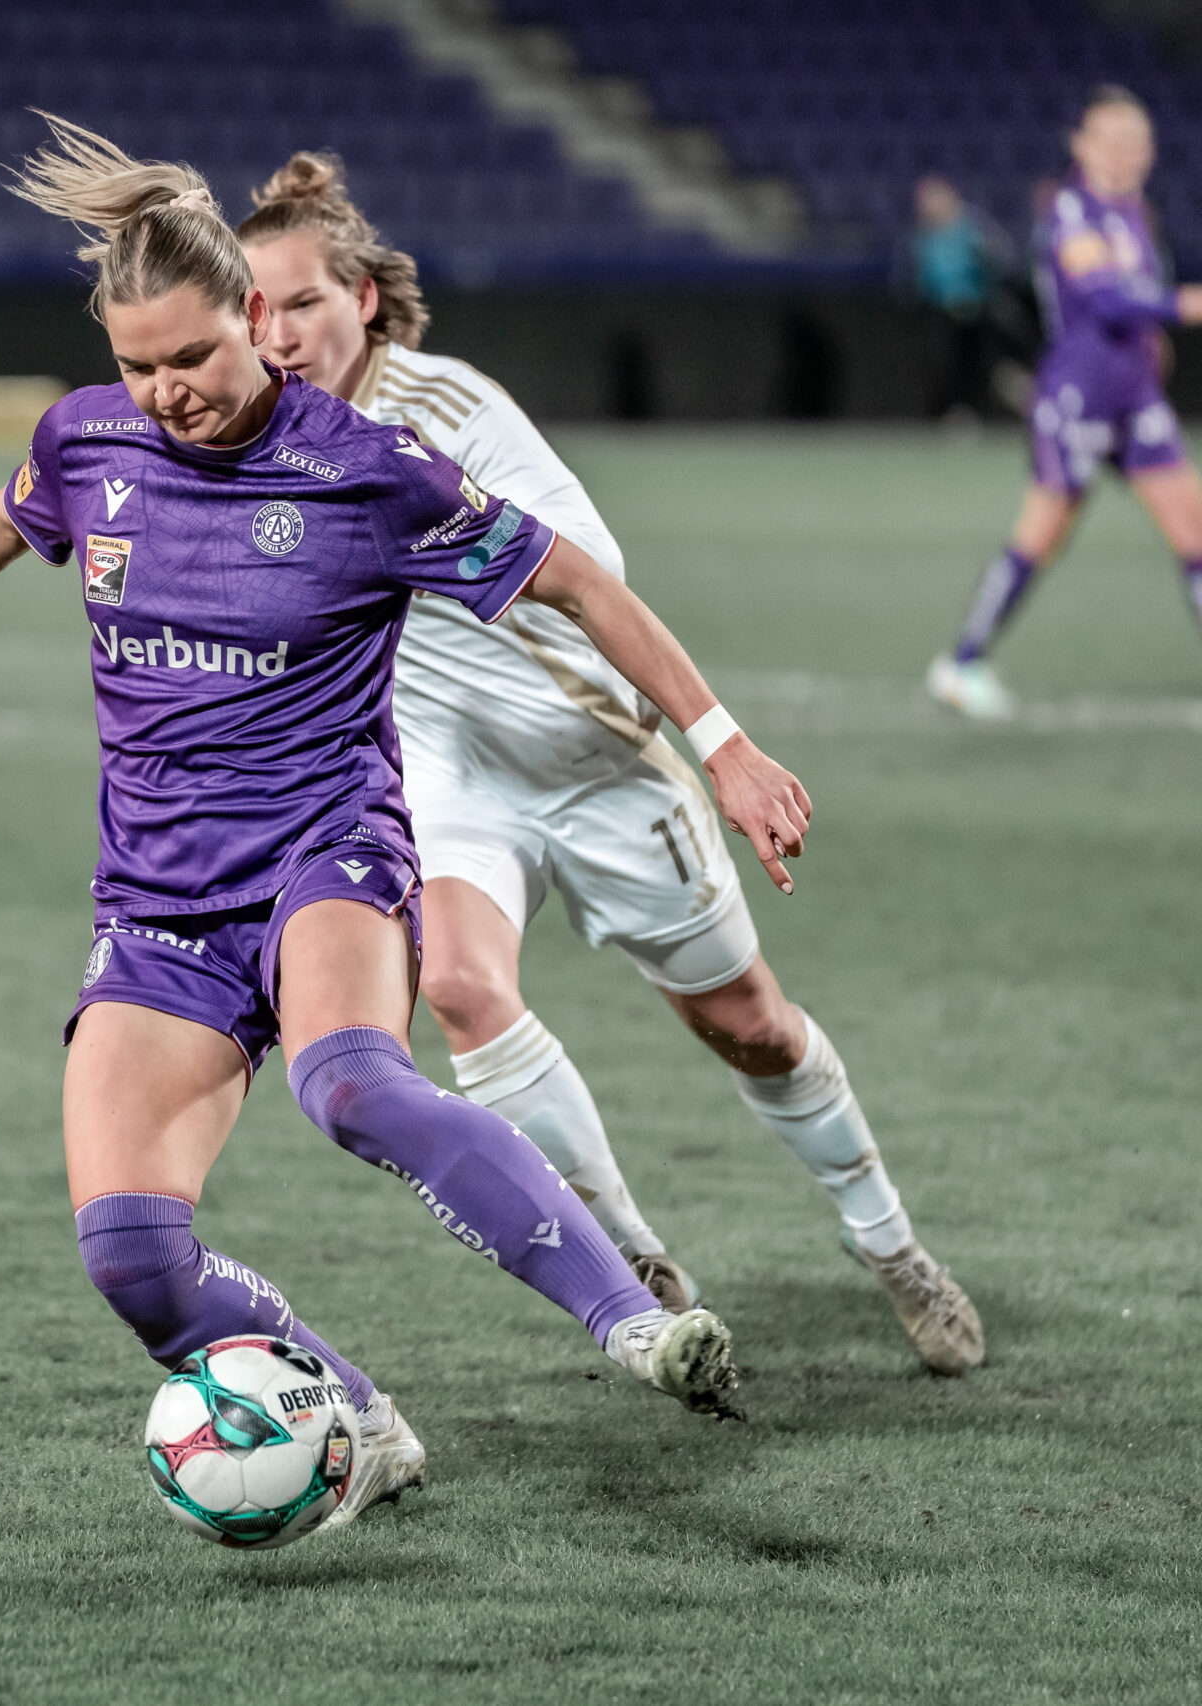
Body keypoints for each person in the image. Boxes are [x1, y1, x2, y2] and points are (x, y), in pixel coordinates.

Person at [0, 118, 808, 1523]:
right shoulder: (90, 440)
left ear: (255, 322)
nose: (166, 392)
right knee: (130, 1254)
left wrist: (724, 743)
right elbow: (3, 516)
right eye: (137, 366)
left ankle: (635, 1321)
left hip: (324, 849)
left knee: (352, 1084)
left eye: (191, 357)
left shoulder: (366, 468)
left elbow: (578, 582)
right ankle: (359, 1422)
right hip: (157, 898)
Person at [238, 153, 983, 1376]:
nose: (277, 335)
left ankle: (892, 1247)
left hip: (593, 757)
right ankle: (634, 1259)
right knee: (458, 984)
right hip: (449, 774)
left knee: (751, 1029)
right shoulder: (257, 432)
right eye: (256, 309)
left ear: (363, 299)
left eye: (303, 303)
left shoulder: (450, 413)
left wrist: (720, 746)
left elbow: (592, 573)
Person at [929, 87, 1202, 719]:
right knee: (1041, 538)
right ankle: (961, 663)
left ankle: (963, 663)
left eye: (1135, 140)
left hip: (1136, 399)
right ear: (1080, 145)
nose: (1123, 152)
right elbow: (1106, 297)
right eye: (1110, 139)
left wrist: (1151, 341)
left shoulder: (1132, 213)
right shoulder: (1072, 212)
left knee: (1194, 532)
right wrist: (1183, 304)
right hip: (1078, 400)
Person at [901, 174, 1019, 421]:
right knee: (943, 364)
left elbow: (999, 257)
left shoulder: (971, 226)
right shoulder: (924, 236)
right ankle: (946, 411)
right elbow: (918, 277)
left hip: (976, 308)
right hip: (942, 311)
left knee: (977, 362)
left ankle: (971, 409)